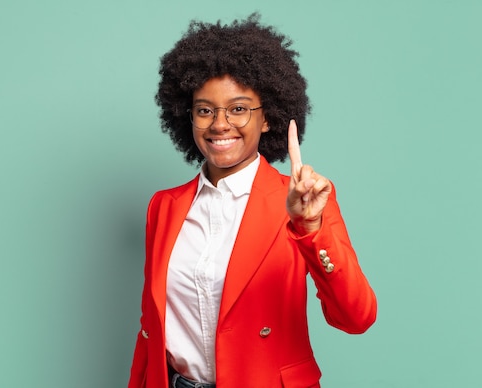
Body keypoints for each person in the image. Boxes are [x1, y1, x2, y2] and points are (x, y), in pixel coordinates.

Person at [128, 13, 377, 388]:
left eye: (239, 109)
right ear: (188, 116)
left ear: (267, 118)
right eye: (205, 109)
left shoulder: (300, 202)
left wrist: (309, 229)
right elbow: (151, 328)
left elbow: (356, 317)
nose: (219, 124)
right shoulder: (164, 207)